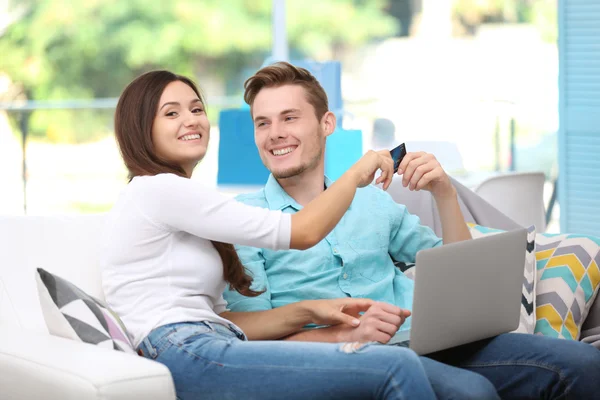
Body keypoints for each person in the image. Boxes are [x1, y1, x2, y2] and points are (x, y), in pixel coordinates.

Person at [225, 61, 600, 400]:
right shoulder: (246, 219)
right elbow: (253, 338)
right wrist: (346, 334)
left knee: (584, 363)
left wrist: (445, 193)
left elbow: (457, 272)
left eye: (289, 118)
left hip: (431, 342)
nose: (275, 133)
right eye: (263, 122)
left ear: (327, 124)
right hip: (343, 360)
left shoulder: (374, 202)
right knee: (471, 393)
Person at [100, 69, 447, 400]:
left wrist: (311, 310)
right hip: (183, 347)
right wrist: (357, 171)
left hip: (209, 341)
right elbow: (303, 231)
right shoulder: (158, 191)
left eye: (196, 109)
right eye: (171, 113)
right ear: (140, 129)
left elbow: (229, 322)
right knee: (393, 367)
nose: (191, 120)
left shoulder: (185, 208)